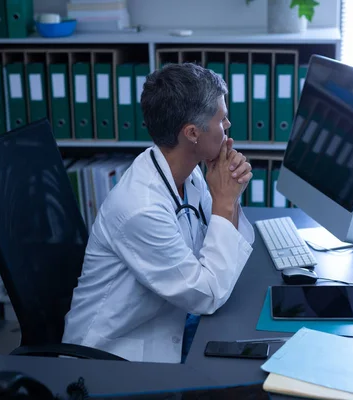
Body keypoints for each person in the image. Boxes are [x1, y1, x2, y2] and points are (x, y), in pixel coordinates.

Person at [62, 63, 255, 363]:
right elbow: (207, 295)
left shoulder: (185, 173)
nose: (228, 125)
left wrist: (229, 190)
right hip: (112, 356)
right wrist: (225, 200)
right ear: (192, 133)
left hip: (169, 319)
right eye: (221, 118)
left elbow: (217, 241)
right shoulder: (140, 208)